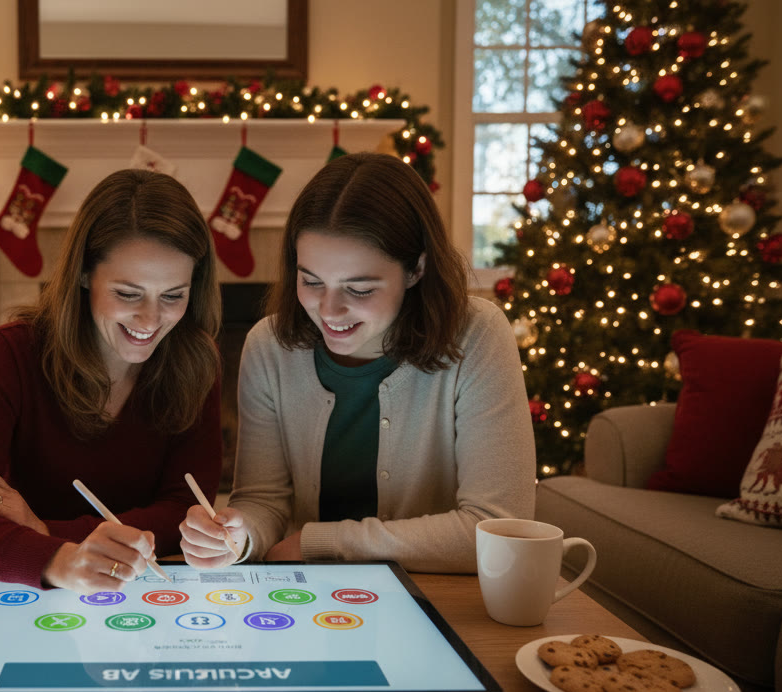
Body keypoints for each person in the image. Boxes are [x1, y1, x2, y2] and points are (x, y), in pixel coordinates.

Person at [180, 152, 535, 573]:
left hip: (440, 600)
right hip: (306, 598)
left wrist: (322, 541)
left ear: (417, 268)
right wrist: (241, 535)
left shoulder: (478, 335)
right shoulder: (269, 346)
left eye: (360, 289)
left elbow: (498, 527)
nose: (329, 310)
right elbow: (263, 501)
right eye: (311, 281)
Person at [0, 168, 223, 593]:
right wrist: (61, 561)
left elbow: (187, 511)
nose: (152, 320)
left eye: (173, 295)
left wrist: (44, 527)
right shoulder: (9, 354)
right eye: (128, 293)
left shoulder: (196, 360)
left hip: (143, 593)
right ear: (84, 274)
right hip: (21, 591)